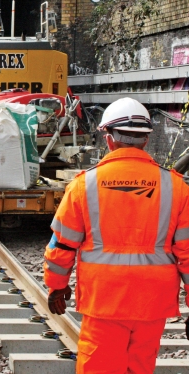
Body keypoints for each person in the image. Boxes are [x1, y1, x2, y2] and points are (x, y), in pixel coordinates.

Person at [43, 97, 189, 373]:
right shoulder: (176, 187)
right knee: (140, 366)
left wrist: (57, 285)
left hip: (104, 298)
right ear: (145, 140)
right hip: (152, 301)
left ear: (109, 139)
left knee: (99, 365)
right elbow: (188, 254)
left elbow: (62, 244)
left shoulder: (84, 185)